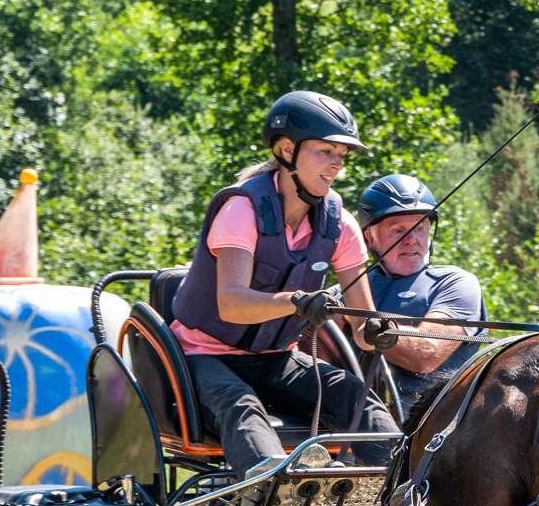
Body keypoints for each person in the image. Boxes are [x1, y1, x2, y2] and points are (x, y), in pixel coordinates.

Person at [173, 90, 401, 477]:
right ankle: (275, 493)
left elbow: (363, 328)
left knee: (350, 392)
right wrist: (296, 301)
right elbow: (231, 304)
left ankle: (401, 485)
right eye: (325, 151)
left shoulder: (340, 224)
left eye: (341, 155)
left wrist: (377, 330)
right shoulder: (242, 209)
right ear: (286, 149)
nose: (336, 164)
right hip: (203, 356)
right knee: (240, 404)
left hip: (275, 358)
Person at [354, 174, 486, 420]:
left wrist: (363, 328)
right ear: (370, 237)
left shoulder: (455, 283)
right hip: (355, 421)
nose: (412, 240)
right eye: (398, 230)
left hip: (439, 426)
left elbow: (427, 354)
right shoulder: (351, 287)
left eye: (420, 229)